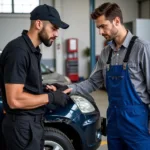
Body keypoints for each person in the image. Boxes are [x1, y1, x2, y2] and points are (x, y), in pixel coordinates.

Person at [55, 2, 150, 150]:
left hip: (137, 123)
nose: (100, 32)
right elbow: (93, 82)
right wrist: (68, 88)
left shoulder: (142, 49)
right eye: (98, 28)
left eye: (102, 26)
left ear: (117, 21)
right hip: (114, 121)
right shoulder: (107, 53)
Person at [0, 4, 71, 150]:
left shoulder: (32, 50)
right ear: (39, 24)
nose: (57, 34)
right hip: (21, 128)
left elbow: (23, 85)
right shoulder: (18, 51)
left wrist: (45, 89)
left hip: (32, 125)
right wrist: (52, 98)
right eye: (54, 28)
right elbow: (14, 100)